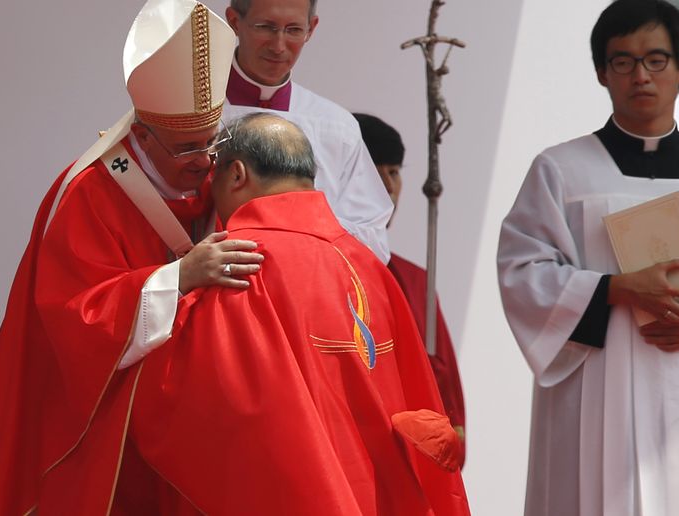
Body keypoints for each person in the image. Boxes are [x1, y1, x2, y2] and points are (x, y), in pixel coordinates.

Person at [496, 1, 679, 515]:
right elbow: (522, 272)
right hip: (595, 381)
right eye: (623, 61)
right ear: (600, 73)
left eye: (656, 60)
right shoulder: (561, 171)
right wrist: (617, 288)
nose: (640, 75)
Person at [0, 1, 264, 514]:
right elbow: (76, 321)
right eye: (187, 147)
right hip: (100, 426)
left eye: (211, 143)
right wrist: (181, 276)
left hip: (184, 422)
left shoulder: (210, 173)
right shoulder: (88, 193)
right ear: (142, 136)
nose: (203, 162)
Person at [117, 112, 470, 514]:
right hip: (382, 497)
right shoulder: (371, 266)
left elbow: (194, 406)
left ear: (235, 175)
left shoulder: (237, 263)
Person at [221, 0, 394, 263]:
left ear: (311, 28)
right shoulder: (186, 108)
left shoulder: (336, 126)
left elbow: (372, 240)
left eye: (293, 30)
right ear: (234, 21)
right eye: (266, 27)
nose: (279, 46)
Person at [353, 112, 467, 466]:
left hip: (405, 457)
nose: (388, 185)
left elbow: (445, 387)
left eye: (395, 172)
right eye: (375, 171)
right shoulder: (315, 269)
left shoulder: (415, 280)